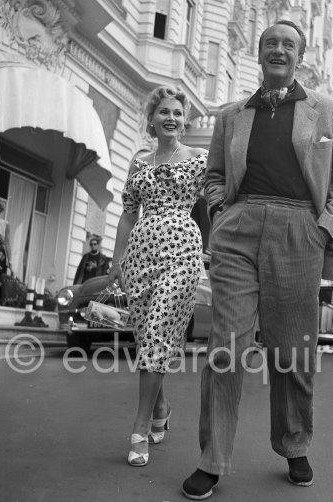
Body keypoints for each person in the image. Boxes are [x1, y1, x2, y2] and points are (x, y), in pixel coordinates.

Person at [182, 19, 333, 499]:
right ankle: (212, 458)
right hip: (239, 229)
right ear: (259, 54)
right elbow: (214, 175)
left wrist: (322, 230)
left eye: (288, 44)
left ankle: (294, 442)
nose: (278, 49)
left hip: (299, 228)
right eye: (270, 43)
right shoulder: (231, 115)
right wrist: (222, 212)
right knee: (226, 347)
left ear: (300, 56)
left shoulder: (331, 112)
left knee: (291, 349)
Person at [107, 86, 207, 468]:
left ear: (185, 120)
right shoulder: (138, 161)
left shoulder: (199, 158)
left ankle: (139, 427)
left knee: (159, 330)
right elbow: (129, 213)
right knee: (147, 333)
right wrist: (117, 262)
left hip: (182, 249)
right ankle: (162, 404)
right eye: (164, 111)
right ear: (151, 118)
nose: (171, 118)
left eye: (178, 113)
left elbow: (218, 201)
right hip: (141, 253)